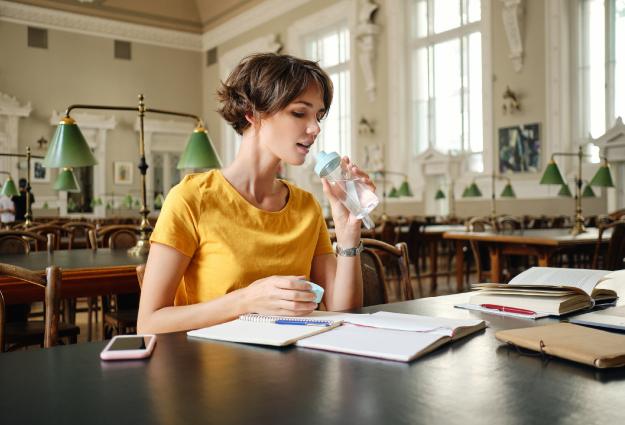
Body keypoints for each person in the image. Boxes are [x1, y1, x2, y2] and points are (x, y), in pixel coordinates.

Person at [138, 53, 373, 334]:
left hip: (294, 367)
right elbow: (149, 323)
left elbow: (343, 312)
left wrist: (348, 235)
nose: (315, 128)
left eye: (318, 116)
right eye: (300, 113)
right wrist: (246, 300)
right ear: (253, 113)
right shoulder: (192, 199)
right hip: (213, 368)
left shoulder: (306, 206)